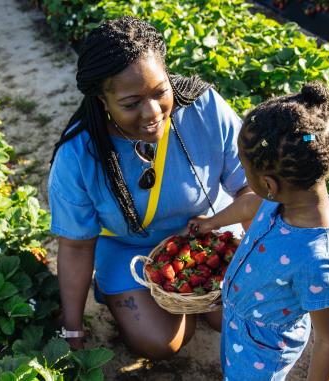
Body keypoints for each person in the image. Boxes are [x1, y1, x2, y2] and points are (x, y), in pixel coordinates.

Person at [47, 16, 257, 359]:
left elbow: (250, 190)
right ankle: (173, 302)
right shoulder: (79, 154)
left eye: (160, 92)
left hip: (204, 235)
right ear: (102, 100)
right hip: (131, 250)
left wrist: (256, 264)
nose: (152, 112)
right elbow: (75, 246)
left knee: (239, 316)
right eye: (130, 104)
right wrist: (72, 327)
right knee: (163, 342)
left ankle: (192, 300)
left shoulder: (204, 109)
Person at [190, 81, 329, 381]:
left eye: (245, 170)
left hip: (263, 351)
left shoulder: (318, 259)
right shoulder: (286, 198)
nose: (244, 176)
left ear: (269, 184)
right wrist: (210, 223)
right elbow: (249, 206)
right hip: (241, 325)